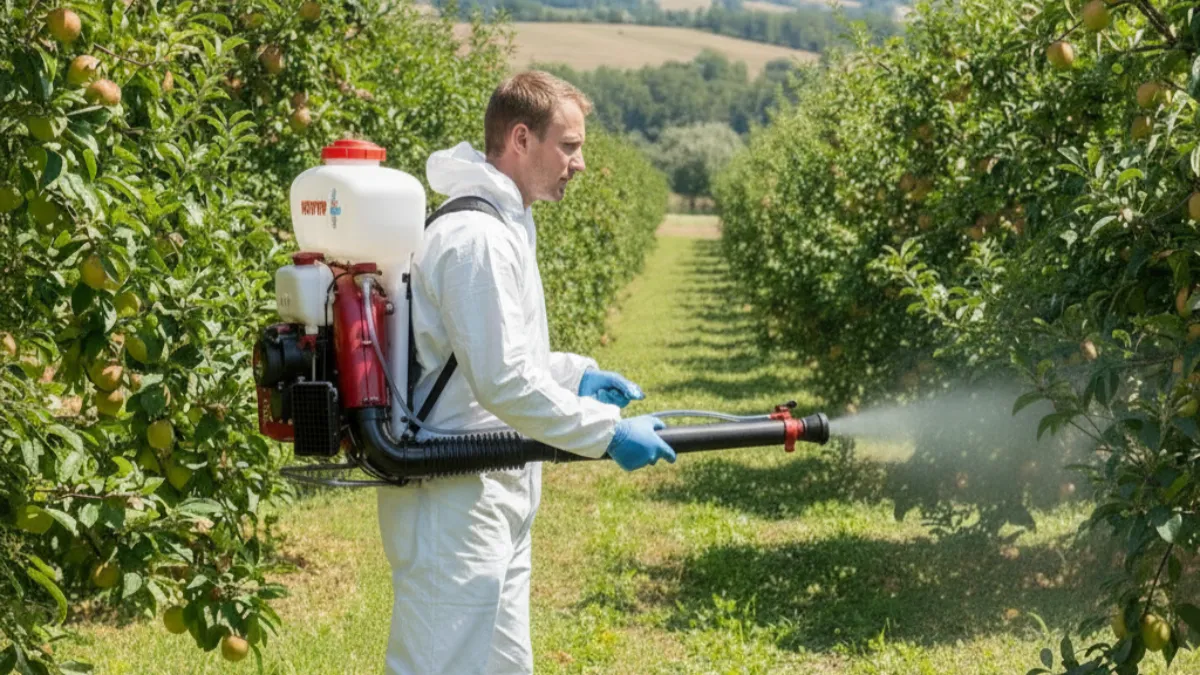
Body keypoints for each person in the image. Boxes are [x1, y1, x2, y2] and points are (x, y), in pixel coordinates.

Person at [376, 70, 677, 675]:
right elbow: (504, 382)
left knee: (503, 664)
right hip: (455, 494)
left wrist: (574, 377)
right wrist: (606, 432)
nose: (581, 163)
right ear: (521, 138)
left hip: (493, 485)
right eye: (569, 146)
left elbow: (501, 356)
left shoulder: (507, 223)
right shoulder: (476, 238)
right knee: (441, 662)